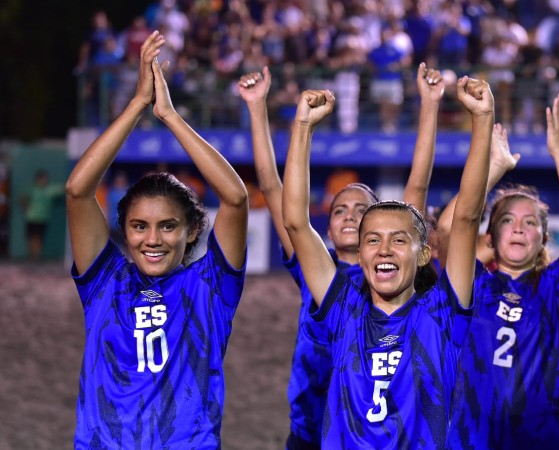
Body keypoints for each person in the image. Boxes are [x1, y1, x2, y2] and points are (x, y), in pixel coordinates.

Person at [240, 62, 446, 449]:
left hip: (371, 410)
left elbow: (417, 186)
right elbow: (272, 186)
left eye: (360, 210)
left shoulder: (393, 274)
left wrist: (430, 104)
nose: (350, 215)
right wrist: (256, 107)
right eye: (339, 210)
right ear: (329, 230)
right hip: (312, 408)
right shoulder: (316, 269)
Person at [281, 75, 493, 447]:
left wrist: (483, 120)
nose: (383, 250)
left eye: (399, 240)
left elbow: (466, 219)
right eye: (373, 240)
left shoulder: (441, 314)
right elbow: (296, 222)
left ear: (425, 253)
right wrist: (302, 128)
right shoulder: (344, 310)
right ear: (360, 254)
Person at [65, 31, 249, 448]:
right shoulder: (105, 282)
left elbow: (235, 199)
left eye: (168, 226)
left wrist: (168, 115)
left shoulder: (211, 286)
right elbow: (77, 191)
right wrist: (136, 105)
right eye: (139, 226)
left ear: (193, 230)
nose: (153, 239)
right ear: (124, 230)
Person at [442, 95, 559, 449]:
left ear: (544, 238)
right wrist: (495, 167)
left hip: (541, 440)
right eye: (507, 221)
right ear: (489, 237)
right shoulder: (474, 283)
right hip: (471, 439)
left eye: (530, 222)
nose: (520, 229)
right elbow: (448, 233)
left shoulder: (556, 287)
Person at [19, 170, 64, 260]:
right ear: (37, 179)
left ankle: (36, 255)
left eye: (45, 178)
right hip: (31, 217)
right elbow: (22, 197)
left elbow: (62, 188)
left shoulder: (50, 189)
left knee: (39, 237)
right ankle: (31, 255)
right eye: (42, 179)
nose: (44, 180)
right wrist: (26, 208)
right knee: (31, 236)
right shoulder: (32, 188)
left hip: (43, 218)